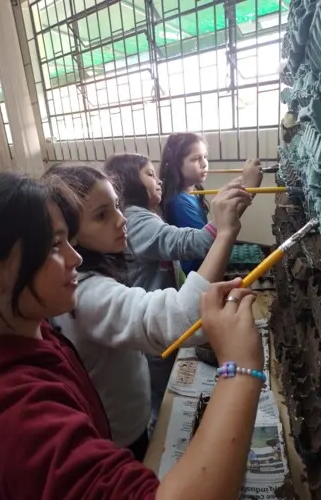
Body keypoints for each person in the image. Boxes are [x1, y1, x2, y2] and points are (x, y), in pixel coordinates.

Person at [0, 171, 265, 499]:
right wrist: (240, 369)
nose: (75, 257)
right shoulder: (12, 408)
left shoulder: (36, 334)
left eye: (68, 239)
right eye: (54, 246)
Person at [43, 165, 249, 460]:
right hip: (118, 437)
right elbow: (180, 318)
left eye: (117, 206)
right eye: (102, 215)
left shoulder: (96, 273)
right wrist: (225, 232)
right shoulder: (85, 295)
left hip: (130, 418)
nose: (121, 219)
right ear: (68, 234)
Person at [103, 153, 250, 428]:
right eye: (148, 174)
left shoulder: (145, 215)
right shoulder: (135, 220)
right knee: (160, 396)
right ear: (128, 183)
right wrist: (227, 218)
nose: (157, 180)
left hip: (159, 316)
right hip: (154, 321)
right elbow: (190, 243)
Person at [157, 132, 263, 274]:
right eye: (195, 159)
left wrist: (244, 183)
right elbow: (207, 245)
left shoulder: (192, 192)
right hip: (197, 271)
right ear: (175, 165)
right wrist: (249, 191)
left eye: (205, 157)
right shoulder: (179, 202)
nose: (204, 164)